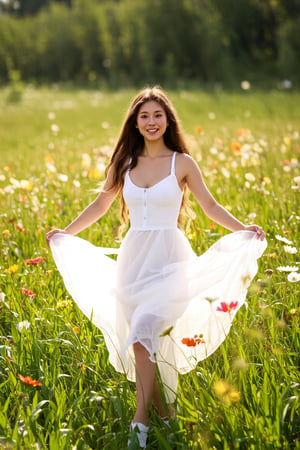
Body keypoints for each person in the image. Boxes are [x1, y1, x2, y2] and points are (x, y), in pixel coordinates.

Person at [46, 86, 267, 449]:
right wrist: (65, 233)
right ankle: (166, 416)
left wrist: (244, 229)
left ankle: (140, 422)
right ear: (135, 122)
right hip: (134, 261)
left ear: (168, 120)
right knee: (143, 342)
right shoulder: (125, 164)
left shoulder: (182, 163)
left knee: (145, 329)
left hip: (171, 259)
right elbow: (100, 206)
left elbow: (210, 206)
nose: (151, 121)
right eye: (144, 116)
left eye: (157, 115)